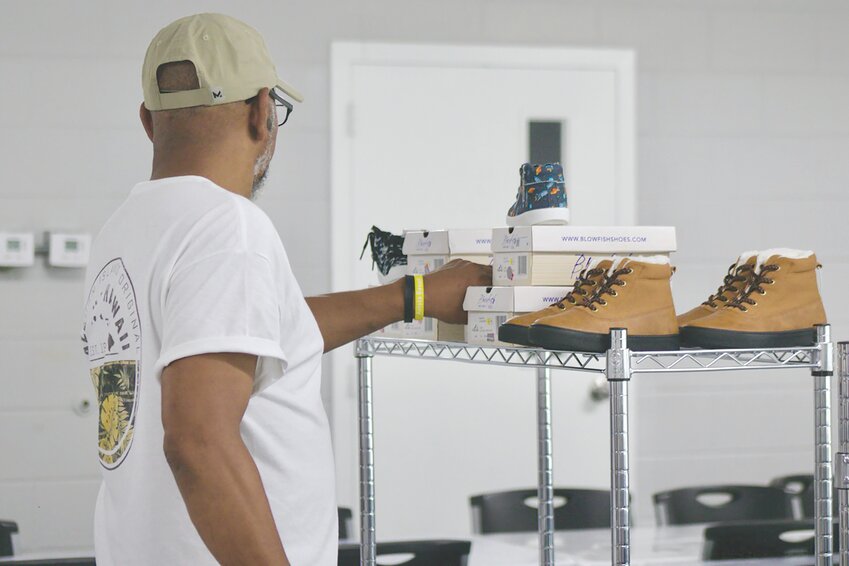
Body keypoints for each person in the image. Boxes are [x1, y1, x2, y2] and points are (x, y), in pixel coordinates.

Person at [80, 13, 491, 566]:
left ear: (148, 123)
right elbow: (197, 442)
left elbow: (260, 334)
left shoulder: (125, 230)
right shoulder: (227, 226)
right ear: (262, 112)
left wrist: (413, 295)